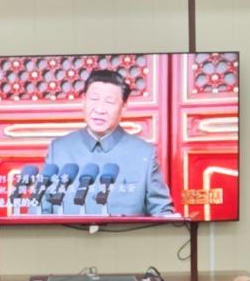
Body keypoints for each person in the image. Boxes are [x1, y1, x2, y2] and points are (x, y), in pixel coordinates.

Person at [40, 69, 174, 217]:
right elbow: (40, 208)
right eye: (94, 99)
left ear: (124, 107)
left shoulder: (144, 154)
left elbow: (162, 212)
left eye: (109, 102)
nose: (100, 109)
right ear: (83, 101)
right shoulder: (59, 149)